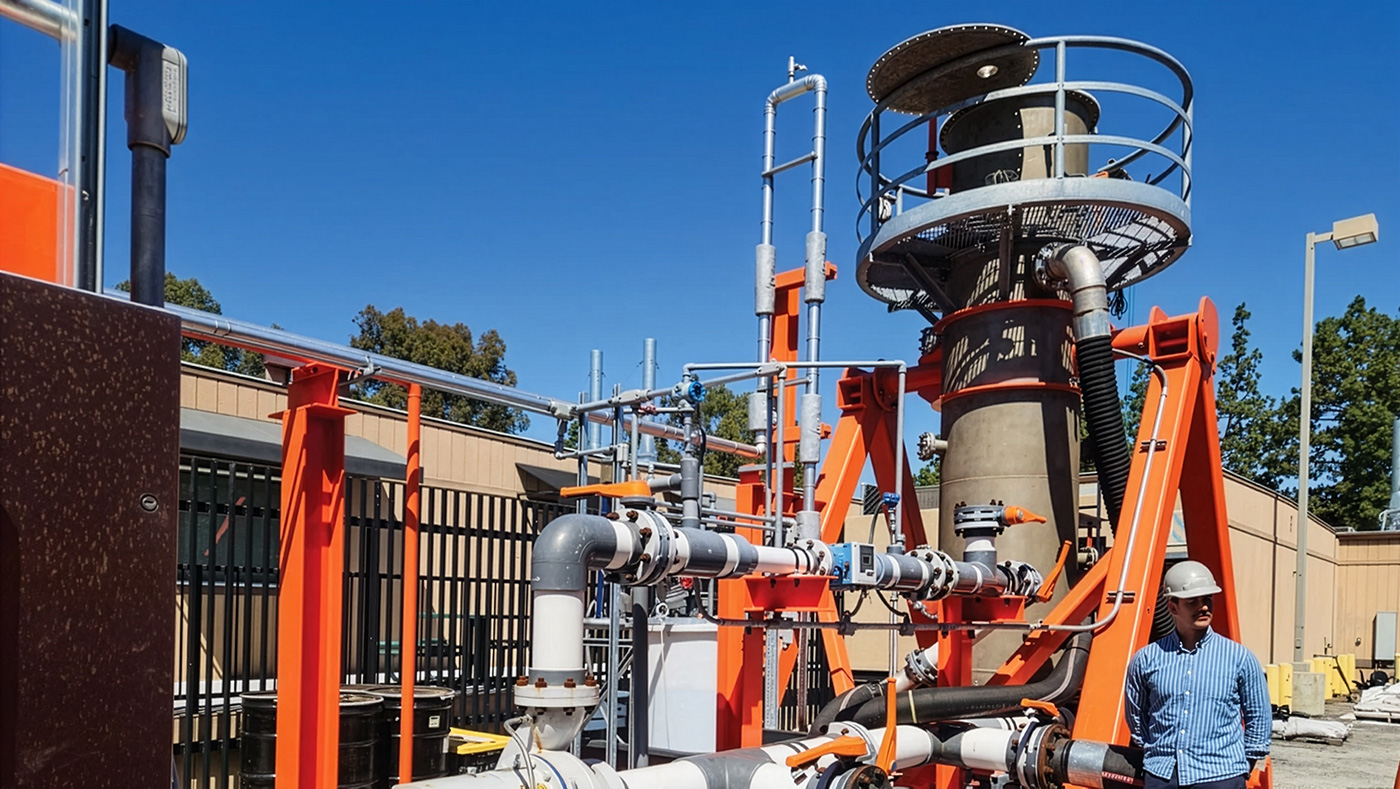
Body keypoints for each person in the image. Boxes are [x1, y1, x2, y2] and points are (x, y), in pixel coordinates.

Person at [1124, 560, 1271, 789]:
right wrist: (1156, 751)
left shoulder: (1239, 658)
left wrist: (1243, 765)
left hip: (1221, 776)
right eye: (1193, 601)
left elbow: (1259, 717)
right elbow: (1136, 716)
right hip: (1163, 777)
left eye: (1207, 599)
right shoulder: (1146, 660)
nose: (1203, 607)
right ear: (1172, 607)